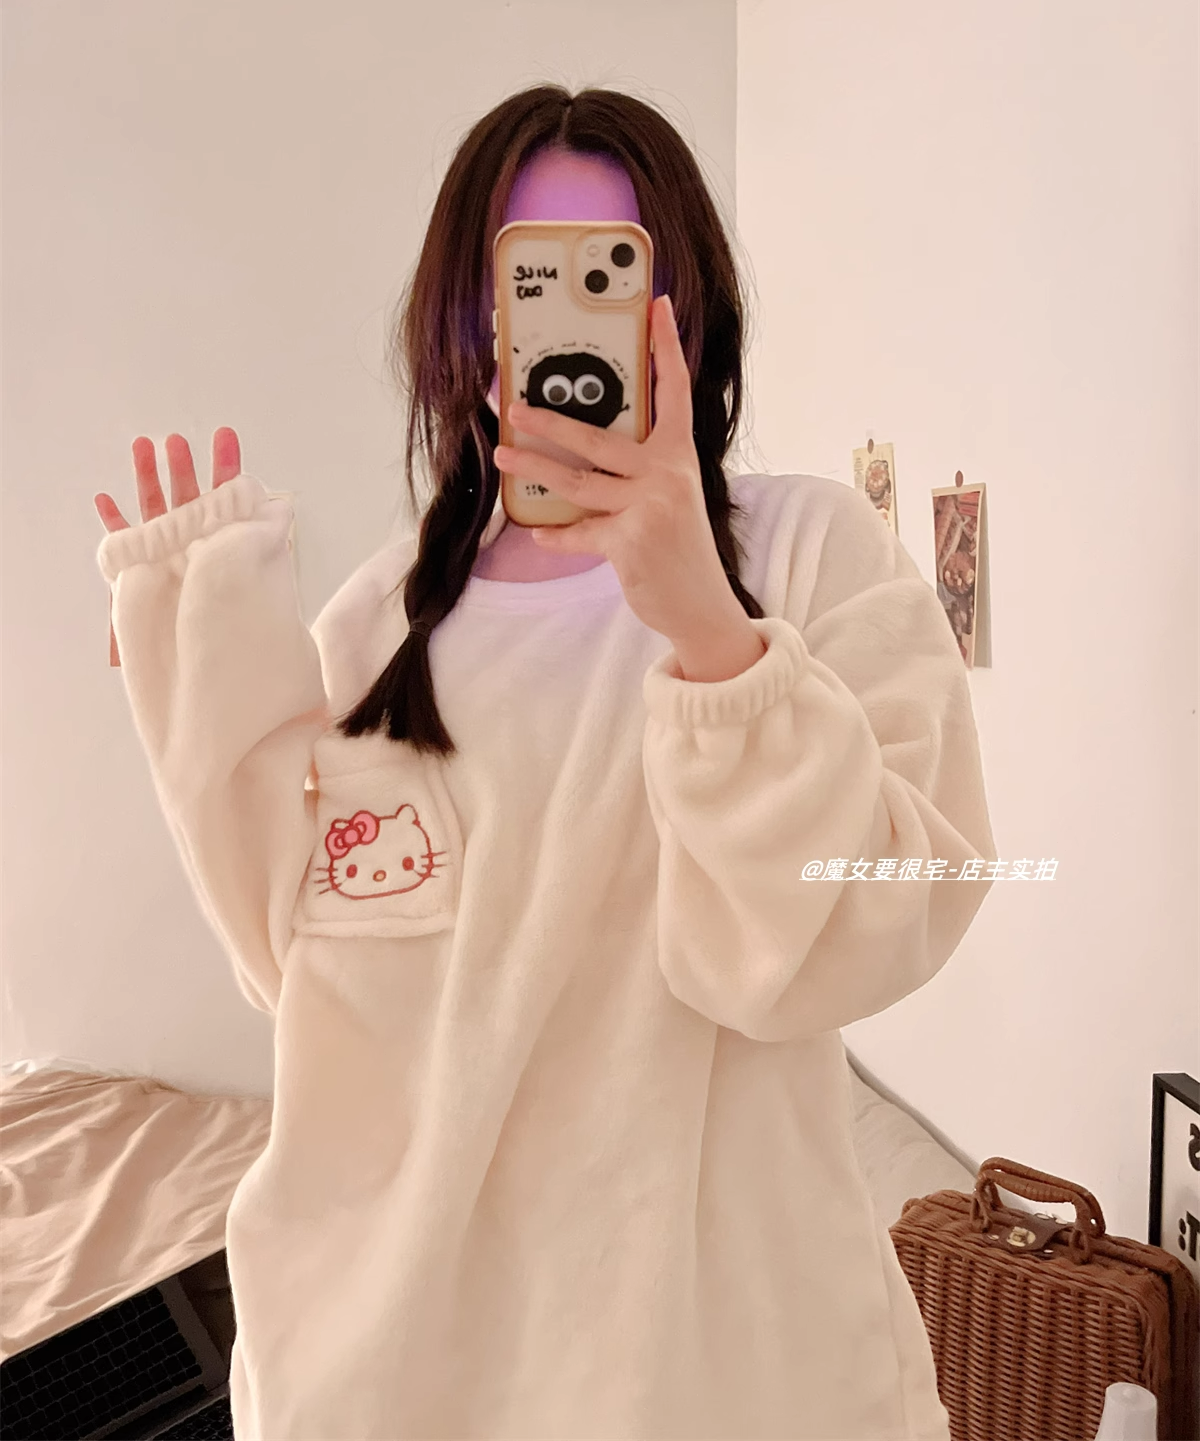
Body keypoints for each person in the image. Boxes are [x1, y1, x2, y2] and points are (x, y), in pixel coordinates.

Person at [94, 84, 995, 1441]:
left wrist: (716, 640)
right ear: (464, 323)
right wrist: (210, 707)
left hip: (733, 1381)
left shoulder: (810, 556)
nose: (566, 332)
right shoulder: (382, 623)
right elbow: (318, 992)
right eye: (526, 282)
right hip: (404, 1377)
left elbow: (864, 928)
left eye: (610, 274)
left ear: (685, 314)